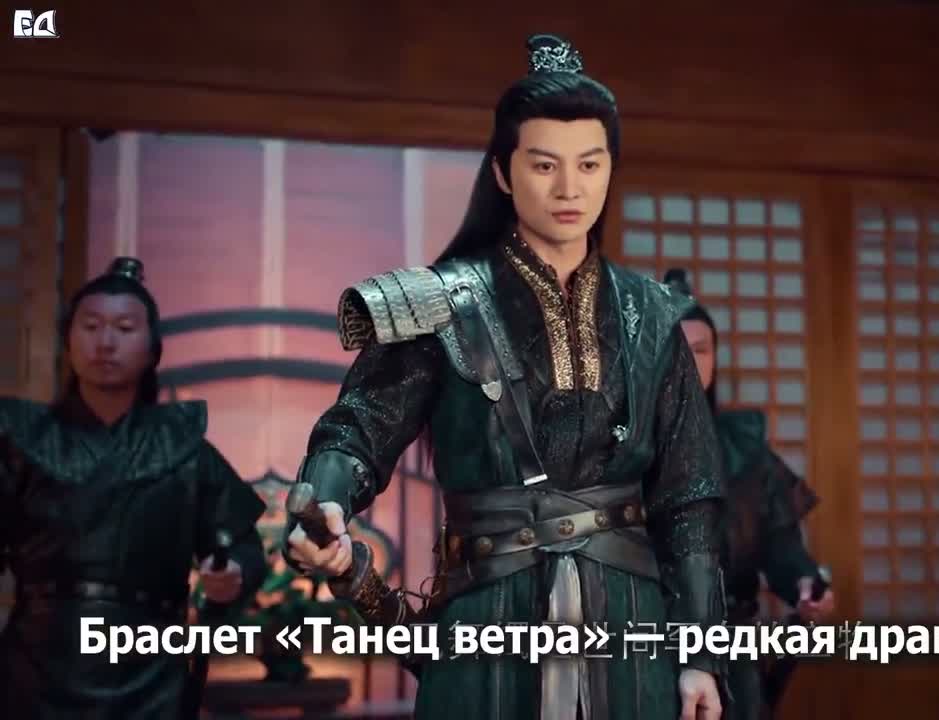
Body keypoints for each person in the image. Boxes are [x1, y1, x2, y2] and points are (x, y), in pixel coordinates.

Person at [285, 33, 727, 720]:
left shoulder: (652, 313)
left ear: (610, 170)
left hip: (631, 616)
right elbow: (356, 431)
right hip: (488, 604)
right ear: (502, 171)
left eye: (589, 164)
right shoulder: (438, 302)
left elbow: (689, 496)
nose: (569, 188)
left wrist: (699, 653)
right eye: (544, 164)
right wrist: (328, 502)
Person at [0, 257, 269, 719]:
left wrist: (232, 576)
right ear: (68, 340)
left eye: (124, 328)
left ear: (151, 349)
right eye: (91, 326)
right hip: (40, 662)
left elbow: (243, 547)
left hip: (151, 668)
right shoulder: (24, 439)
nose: (105, 342)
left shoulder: (183, 445)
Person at [664, 268, 835, 720]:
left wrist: (803, 583)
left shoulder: (743, 451)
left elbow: (781, 547)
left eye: (700, 350)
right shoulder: (618, 451)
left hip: (730, 639)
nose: (689, 362)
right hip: (643, 640)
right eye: (674, 349)